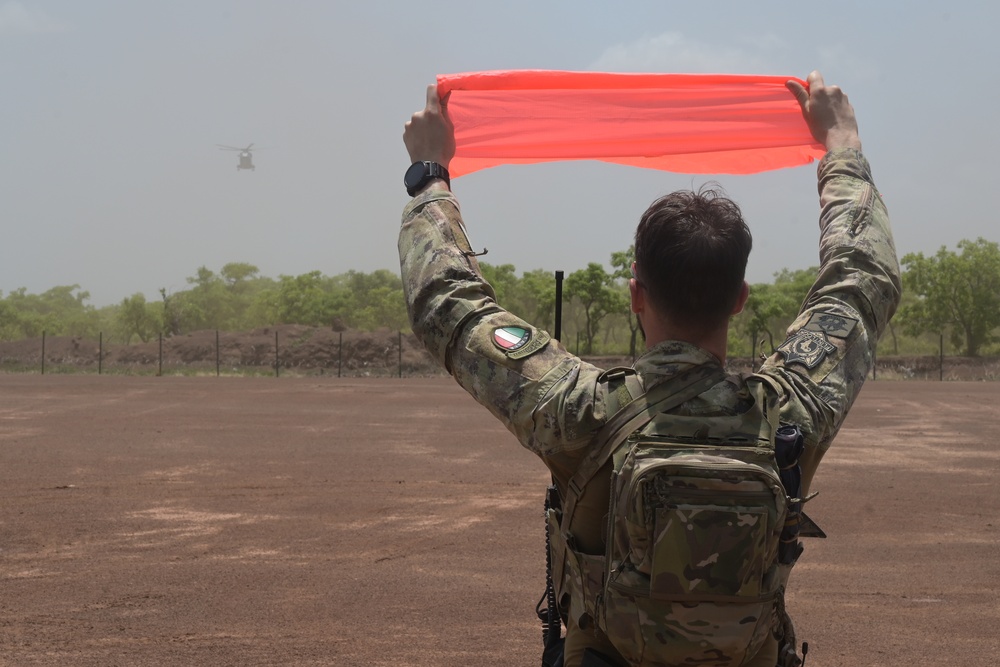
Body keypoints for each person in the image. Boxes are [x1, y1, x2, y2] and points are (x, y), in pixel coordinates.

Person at [398, 71, 900, 667]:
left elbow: (446, 303)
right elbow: (862, 279)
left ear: (636, 294)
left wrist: (430, 175)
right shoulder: (787, 412)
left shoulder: (578, 409)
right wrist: (842, 149)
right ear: (739, 297)